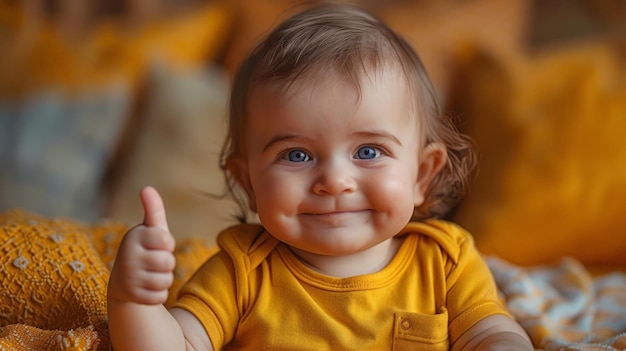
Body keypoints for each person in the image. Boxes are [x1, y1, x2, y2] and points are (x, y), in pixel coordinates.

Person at [107, 2, 534, 350]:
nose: (334, 180)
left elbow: (493, 333)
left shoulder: (446, 262)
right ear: (247, 182)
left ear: (422, 174)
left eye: (368, 151)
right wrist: (135, 303)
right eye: (296, 154)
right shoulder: (240, 272)